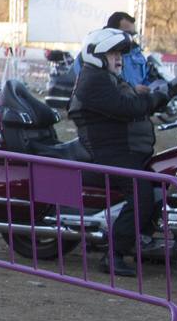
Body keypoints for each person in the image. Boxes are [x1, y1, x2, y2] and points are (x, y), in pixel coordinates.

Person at [69, 26, 169, 277]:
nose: (118, 58)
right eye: (112, 53)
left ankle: (143, 241)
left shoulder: (106, 77)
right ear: (96, 55)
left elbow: (130, 102)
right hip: (108, 152)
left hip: (122, 149)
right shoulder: (94, 78)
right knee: (141, 193)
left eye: (119, 54)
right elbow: (126, 107)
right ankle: (113, 254)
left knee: (159, 183)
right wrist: (158, 97)